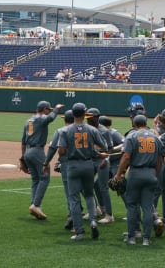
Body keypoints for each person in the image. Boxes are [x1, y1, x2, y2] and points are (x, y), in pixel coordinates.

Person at [56, 102, 108, 241]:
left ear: (72, 114)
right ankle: (92, 221)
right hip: (88, 165)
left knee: (73, 199)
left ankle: (79, 231)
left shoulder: (65, 131)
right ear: (85, 114)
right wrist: (98, 154)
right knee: (89, 196)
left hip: (73, 165)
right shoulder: (92, 129)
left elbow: (61, 150)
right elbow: (104, 145)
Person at [115, 114, 163, 246]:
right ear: (145, 123)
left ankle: (131, 237)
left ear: (134, 124)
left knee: (132, 206)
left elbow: (126, 157)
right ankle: (146, 239)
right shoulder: (155, 137)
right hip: (151, 173)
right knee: (147, 208)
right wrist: (155, 174)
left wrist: (119, 174)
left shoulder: (132, 136)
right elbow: (160, 160)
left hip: (136, 173)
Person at [21, 100, 64, 220]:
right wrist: (56, 109)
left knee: (35, 179)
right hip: (37, 152)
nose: (48, 112)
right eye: (48, 110)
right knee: (44, 178)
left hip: (28, 152)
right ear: (44, 109)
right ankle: (36, 205)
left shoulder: (28, 121)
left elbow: (23, 141)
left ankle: (34, 205)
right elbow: (50, 119)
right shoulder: (40, 118)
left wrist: (23, 157)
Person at [44, 109, 75, 231]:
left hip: (68, 165)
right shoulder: (86, 129)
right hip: (86, 165)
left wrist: (46, 162)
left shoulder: (61, 131)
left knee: (70, 194)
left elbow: (52, 148)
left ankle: (72, 218)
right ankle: (94, 219)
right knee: (87, 194)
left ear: (65, 119)